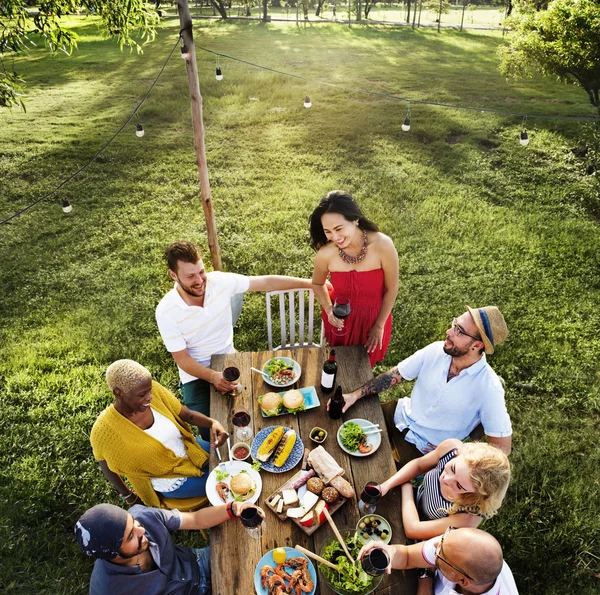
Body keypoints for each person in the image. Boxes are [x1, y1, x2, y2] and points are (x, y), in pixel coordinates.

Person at [155, 241, 312, 431]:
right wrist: (213, 376)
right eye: (190, 276)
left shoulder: (220, 282)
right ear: (173, 275)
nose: (199, 280)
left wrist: (312, 284)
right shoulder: (166, 311)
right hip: (195, 376)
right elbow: (182, 358)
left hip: (229, 357)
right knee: (213, 431)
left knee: (256, 413)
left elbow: (266, 282)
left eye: (201, 271)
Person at [336, 306, 512, 461]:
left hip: (420, 450)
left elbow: (502, 450)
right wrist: (354, 395)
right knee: (339, 424)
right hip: (398, 415)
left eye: (459, 330)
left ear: (477, 345)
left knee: (363, 469)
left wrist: (457, 452)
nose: (448, 332)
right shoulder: (436, 350)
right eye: (454, 324)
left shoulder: (489, 388)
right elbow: (396, 375)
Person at [91, 359, 229, 508]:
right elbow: (104, 464)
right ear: (118, 393)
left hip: (189, 448)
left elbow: (186, 414)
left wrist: (212, 423)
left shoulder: (152, 390)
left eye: (149, 390)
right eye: (142, 394)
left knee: (234, 462)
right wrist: (128, 495)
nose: (149, 396)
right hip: (170, 477)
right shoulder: (104, 430)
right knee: (228, 482)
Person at [75, 500, 264, 595]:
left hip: (198, 563)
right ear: (113, 554)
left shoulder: (143, 515)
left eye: (134, 523)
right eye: (131, 536)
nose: (142, 530)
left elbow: (195, 519)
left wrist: (232, 508)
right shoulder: (107, 589)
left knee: (261, 558)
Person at [309, 190, 399, 367]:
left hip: (373, 319)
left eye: (339, 229)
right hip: (341, 320)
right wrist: (328, 310)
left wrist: (379, 325)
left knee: (364, 367)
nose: (335, 237)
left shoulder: (383, 245)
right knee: (340, 364)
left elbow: (391, 289)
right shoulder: (326, 253)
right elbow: (317, 283)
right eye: (328, 231)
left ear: (355, 219)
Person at [378, 439, 510, 540]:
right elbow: (418, 465)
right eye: (452, 468)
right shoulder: (451, 449)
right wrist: (386, 485)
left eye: (459, 485)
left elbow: (413, 529)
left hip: (412, 535)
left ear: (475, 495)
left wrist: (406, 487)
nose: (446, 479)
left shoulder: (469, 517)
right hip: (406, 499)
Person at [358, 527, 518, 595]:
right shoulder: (454, 545)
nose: (435, 544)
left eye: (440, 553)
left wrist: (426, 577)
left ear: (462, 580)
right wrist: (389, 551)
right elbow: (407, 556)